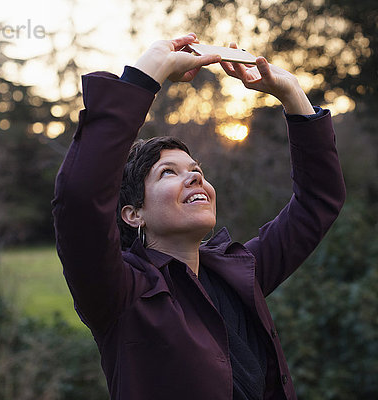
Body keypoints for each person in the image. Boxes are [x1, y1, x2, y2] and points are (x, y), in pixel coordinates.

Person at [52, 33, 346, 400]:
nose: (195, 177)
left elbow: (318, 202)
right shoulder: (121, 294)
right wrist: (145, 76)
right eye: (168, 173)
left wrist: (292, 95)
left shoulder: (239, 273)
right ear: (132, 214)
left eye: (196, 169)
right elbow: (80, 199)